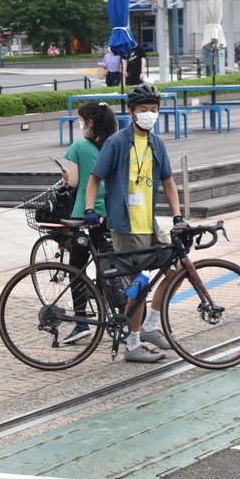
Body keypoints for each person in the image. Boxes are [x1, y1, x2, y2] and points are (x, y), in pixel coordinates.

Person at [84, 83, 187, 363]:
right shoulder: (117, 142)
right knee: (138, 287)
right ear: (131, 112)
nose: (149, 115)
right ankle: (132, 345)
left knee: (173, 273)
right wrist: (90, 207)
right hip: (126, 227)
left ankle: (150, 327)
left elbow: (168, 181)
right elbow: (95, 177)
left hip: (150, 225)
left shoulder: (156, 143)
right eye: (144, 110)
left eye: (154, 110)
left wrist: (178, 216)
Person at [58, 101, 118, 344]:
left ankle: (81, 321)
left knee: (77, 269)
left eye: (81, 119)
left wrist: (65, 174)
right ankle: (115, 317)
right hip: (109, 215)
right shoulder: (114, 144)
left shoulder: (79, 146)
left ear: (90, 123)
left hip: (84, 214)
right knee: (109, 268)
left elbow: (73, 182)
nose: (79, 123)